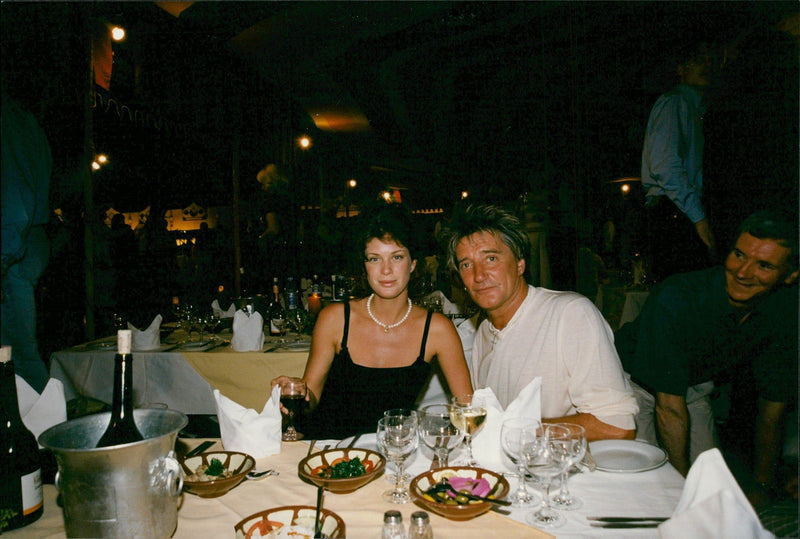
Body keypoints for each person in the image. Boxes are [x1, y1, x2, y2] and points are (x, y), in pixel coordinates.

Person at [615, 209, 798, 506]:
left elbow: (773, 410)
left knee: (710, 487)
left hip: (692, 387)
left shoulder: (786, 312)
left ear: (791, 275)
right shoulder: (678, 296)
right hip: (628, 383)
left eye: (763, 265)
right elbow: (668, 409)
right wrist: (681, 493)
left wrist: (762, 485)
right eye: (739, 255)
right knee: (644, 486)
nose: (743, 272)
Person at [272, 202, 473, 439]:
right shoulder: (335, 319)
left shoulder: (437, 330)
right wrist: (298, 393)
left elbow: (468, 409)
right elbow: (311, 401)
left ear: (413, 264)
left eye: (397, 257)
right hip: (327, 453)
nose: (386, 270)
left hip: (394, 454)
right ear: (364, 265)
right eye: (374, 259)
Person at [439, 203, 638, 441]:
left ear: (520, 264)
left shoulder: (570, 314)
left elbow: (617, 426)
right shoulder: (483, 331)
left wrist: (516, 432)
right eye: (466, 265)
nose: (479, 275)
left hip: (567, 472)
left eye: (491, 258)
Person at [641, 42, 716, 282]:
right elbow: (665, 166)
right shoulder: (675, 103)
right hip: (674, 211)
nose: (704, 66)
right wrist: (699, 217)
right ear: (681, 69)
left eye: (707, 60)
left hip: (676, 210)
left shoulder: (695, 109)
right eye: (696, 60)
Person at [1, 95, 52, 392]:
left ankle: (39, 433)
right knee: (19, 357)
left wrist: (4, 257)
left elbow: (13, 202)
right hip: (24, 242)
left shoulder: (9, 119)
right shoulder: (21, 118)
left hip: (13, 249)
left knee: (17, 360)